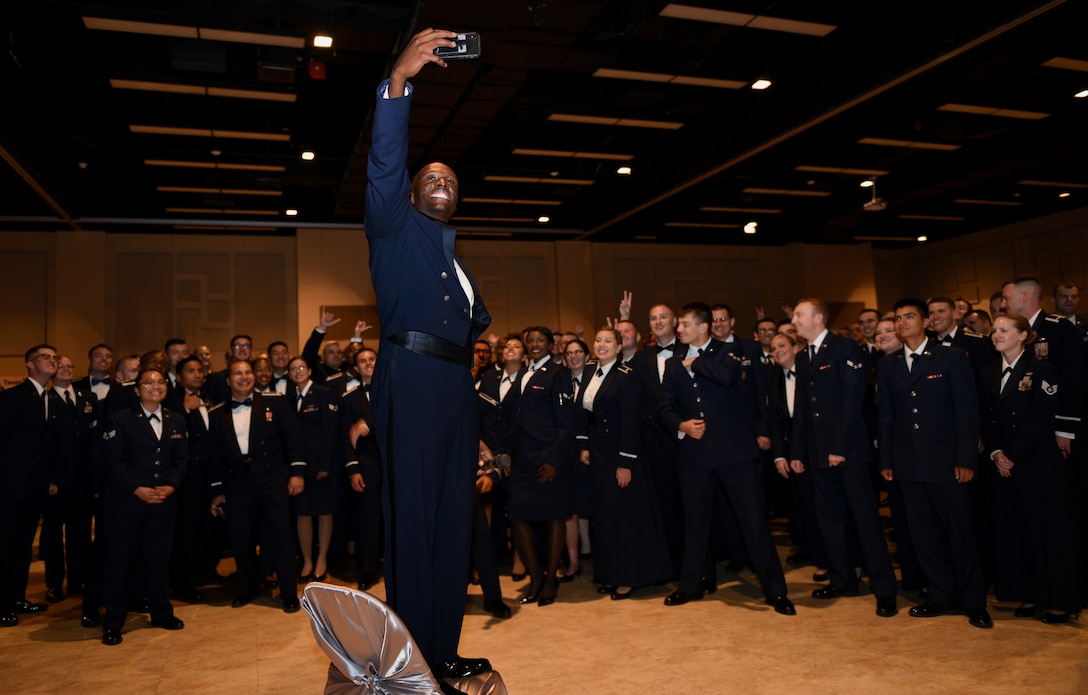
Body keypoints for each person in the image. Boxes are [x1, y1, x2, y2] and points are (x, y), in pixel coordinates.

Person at [364, 28, 493, 687]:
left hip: (451, 388)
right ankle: (406, 658)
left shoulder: (456, 263)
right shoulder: (395, 233)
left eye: (450, 179)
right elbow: (386, 164)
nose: (441, 181)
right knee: (413, 521)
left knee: (451, 523)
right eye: (430, 177)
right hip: (409, 379)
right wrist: (399, 82)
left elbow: (471, 339)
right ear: (413, 195)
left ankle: (440, 649)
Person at [659, 303, 794, 616]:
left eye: (684, 324)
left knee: (754, 521)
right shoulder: (674, 362)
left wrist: (696, 363)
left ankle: (775, 591)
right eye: (679, 325)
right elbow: (665, 407)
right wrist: (681, 425)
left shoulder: (730, 350)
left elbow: (727, 377)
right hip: (694, 455)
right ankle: (689, 584)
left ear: (703, 327)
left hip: (734, 453)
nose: (679, 330)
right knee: (695, 523)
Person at [877, 299, 990, 629]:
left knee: (960, 532)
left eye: (909, 316)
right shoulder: (890, 364)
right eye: (898, 318)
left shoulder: (951, 358)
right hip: (908, 464)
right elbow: (886, 416)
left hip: (947, 463)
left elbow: (966, 413)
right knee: (923, 534)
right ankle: (940, 594)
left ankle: (973, 601)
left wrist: (966, 459)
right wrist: (886, 460)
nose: (903, 322)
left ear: (925, 321)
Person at [790, 299, 898, 618]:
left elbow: (853, 401)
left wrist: (839, 446)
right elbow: (804, 411)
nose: (794, 319)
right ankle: (843, 579)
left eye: (799, 314)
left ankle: (884, 589)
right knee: (831, 521)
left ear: (818, 318)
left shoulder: (845, 348)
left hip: (848, 453)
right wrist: (798, 452)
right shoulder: (803, 356)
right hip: (817, 454)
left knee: (865, 521)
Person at [982, 313, 1084, 623]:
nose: (995, 335)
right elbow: (987, 418)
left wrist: (1011, 453)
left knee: (1047, 531)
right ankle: (1027, 594)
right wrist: (997, 451)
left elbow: (1041, 419)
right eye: (994, 330)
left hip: (1037, 463)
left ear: (1023, 335)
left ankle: (1057, 601)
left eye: (1003, 330)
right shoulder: (989, 372)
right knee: (1016, 530)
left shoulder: (1043, 370)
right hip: (1004, 466)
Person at [576, 327, 671, 599]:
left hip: (620, 455)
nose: (602, 344)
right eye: (598, 340)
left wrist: (625, 463)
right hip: (598, 454)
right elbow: (583, 414)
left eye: (609, 341)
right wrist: (583, 445)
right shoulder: (589, 372)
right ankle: (609, 573)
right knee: (605, 518)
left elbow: (632, 423)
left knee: (625, 519)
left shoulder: (627, 377)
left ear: (619, 348)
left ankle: (628, 577)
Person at [208, 360, 306, 614]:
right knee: (240, 538)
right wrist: (218, 491)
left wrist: (297, 473)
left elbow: (293, 439)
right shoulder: (216, 413)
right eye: (237, 373)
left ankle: (288, 593)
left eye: (247, 372)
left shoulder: (275, 402)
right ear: (228, 380)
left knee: (281, 536)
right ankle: (247, 587)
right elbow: (215, 456)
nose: (244, 377)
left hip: (273, 480)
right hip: (237, 484)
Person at [99, 368, 188, 645]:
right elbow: (113, 463)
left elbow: (182, 460)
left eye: (159, 382)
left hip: (163, 502)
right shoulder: (121, 419)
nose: (154, 386)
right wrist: (138, 489)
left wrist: (171, 486)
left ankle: (162, 612)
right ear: (137, 390)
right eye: (147, 382)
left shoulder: (177, 420)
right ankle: (113, 621)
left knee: (159, 559)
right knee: (121, 562)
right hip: (128, 502)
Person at [506, 327, 575, 607]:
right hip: (521, 459)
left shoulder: (559, 374)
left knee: (553, 517)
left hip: (547, 459)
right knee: (518, 516)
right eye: (531, 341)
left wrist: (553, 461)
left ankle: (550, 581)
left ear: (551, 345)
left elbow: (567, 425)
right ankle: (535, 576)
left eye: (540, 341)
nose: (535, 345)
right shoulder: (523, 373)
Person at [0, 345, 58, 627]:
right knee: (5, 545)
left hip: (35, 487)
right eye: (45, 357)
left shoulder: (49, 398)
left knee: (24, 546)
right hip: (10, 486)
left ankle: (17, 597)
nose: (52, 360)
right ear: (29, 364)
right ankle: (2, 604)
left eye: (54, 357)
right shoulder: (13, 397)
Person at [766, 332, 828, 582]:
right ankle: (816, 554)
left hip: (816, 450)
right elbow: (774, 422)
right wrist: (779, 456)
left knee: (822, 508)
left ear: (796, 347)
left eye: (782, 345)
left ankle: (829, 560)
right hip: (792, 453)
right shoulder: (775, 380)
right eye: (772, 348)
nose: (777, 351)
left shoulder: (811, 375)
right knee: (803, 507)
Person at [41, 355, 98, 603]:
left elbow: (95, 440)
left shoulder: (88, 397)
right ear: (53, 372)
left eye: (69, 366)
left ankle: (78, 580)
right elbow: (43, 444)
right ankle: (54, 584)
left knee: (80, 533)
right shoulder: (47, 399)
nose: (66, 369)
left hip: (83, 480)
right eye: (61, 366)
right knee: (53, 535)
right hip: (57, 482)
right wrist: (49, 478)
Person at [287, 356, 341, 583]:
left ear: (309, 370)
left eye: (301, 367)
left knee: (324, 512)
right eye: (293, 369)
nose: (297, 371)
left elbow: (331, 432)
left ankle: (321, 559)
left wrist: (325, 465)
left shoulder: (324, 392)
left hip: (321, 466)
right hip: (298, 467)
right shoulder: (289, 399)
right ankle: (307, 559)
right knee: (303, 513)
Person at [342, 348, 383, 592]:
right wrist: (353, 469)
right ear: (356, 368)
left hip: (395, 463)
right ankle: (368, 568)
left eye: (371, 359)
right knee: (369, 520)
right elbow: (343, 438)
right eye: (362, 361)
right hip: (366, 465)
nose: (368, 363)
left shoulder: (395, 390)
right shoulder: (348, 398)